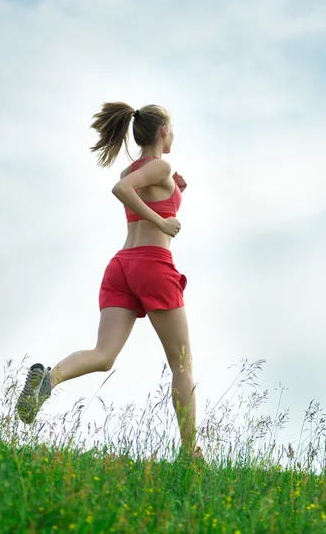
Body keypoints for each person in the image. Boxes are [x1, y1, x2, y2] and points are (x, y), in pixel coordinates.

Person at [15, 102, 202, 461]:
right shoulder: (159, 165)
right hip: (153, 264)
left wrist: (175, 194)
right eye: (172, 128)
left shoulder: (136, 170)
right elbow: (124, 193)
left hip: (122, 267)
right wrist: (163, 224)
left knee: (103, 355)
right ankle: (189, 456)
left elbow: (139, 194)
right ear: (162, 131)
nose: (174, 134)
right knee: (182, 365)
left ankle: (46, 382)